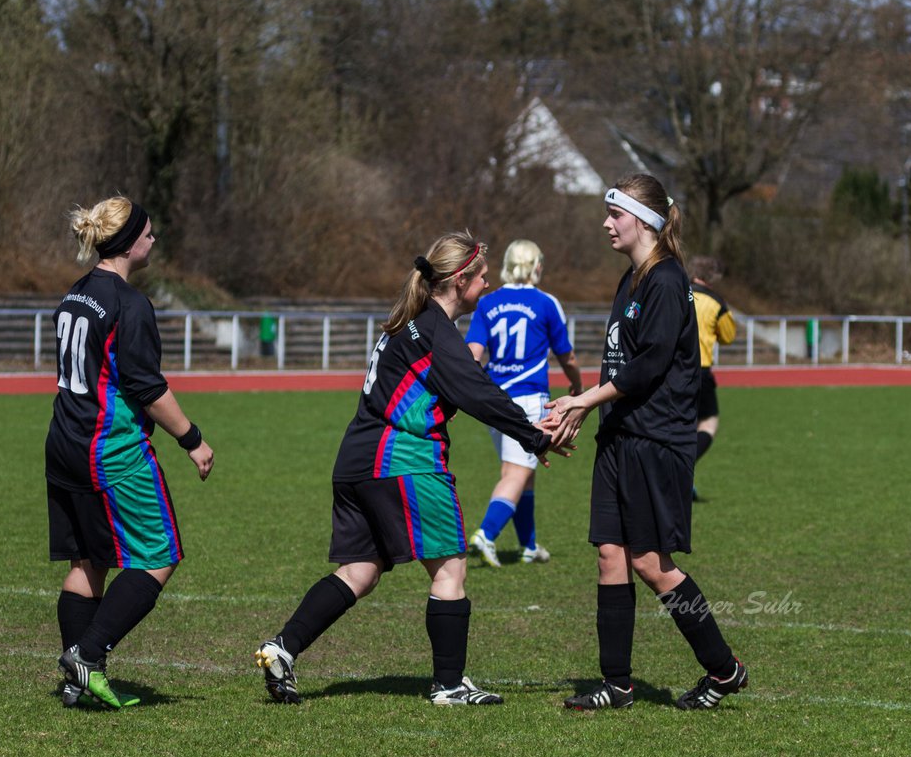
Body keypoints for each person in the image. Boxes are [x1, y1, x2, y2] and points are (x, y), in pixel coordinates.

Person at [253, 232, 568, 706]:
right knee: (450, 567)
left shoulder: (409, 324)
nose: (487, 284)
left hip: (357, 458)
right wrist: (534, 435)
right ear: (460, 280)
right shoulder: (436, 331)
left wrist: (525, 428)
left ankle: (283, 648)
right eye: (482, 277)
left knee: (360, 570)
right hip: (403, 460)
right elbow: (475, 393)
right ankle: (449, 685)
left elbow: (471, 385)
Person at [542, 175, 748, 711]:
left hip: (657, 439)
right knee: (610, 554)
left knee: (652, 564)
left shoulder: (665, 279)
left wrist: (583, 400)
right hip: (620, 435)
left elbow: (651, 364)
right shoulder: (630, 279)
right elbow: (620, 365)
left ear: (645, 220)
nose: (606, 223)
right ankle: (617, 683)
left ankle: (723, 669)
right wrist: (590, 412)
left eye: (616, 213)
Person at [45, 196, 215, 709]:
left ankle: (78, 679)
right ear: (128, 242)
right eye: (148, 232)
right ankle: (88, 656)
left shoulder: (76, 293)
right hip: (110, 451)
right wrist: (193, 439)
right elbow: (147, 388)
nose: (154, 239)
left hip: (63, 444)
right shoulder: (129, 304)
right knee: (159, 554)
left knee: (88, 561)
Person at [464, 239, 582, 567]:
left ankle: (529, 546)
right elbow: (567, 355)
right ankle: (486, 534)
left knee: (522, 472)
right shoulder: (545, 302)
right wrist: (577, 385)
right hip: (528, 399)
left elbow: (473, 354)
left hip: (493, 399)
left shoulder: (487, 303)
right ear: (536, 265)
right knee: (517, 471)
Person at [686, 256, 736, 499]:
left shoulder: (675, 291)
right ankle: (683, 471)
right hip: (701, 371)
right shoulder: (716, 302)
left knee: (679, 425)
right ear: (713, 278)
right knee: (708, 422)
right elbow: (728, 336)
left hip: (671, 371)